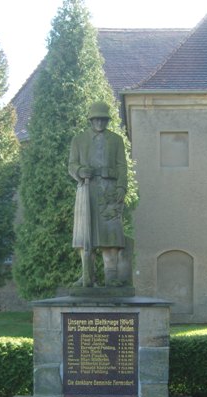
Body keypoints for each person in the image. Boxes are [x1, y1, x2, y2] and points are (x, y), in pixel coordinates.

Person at [68, 102, 127, 287]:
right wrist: (79, 171)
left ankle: (111, 275)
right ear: (91, 120)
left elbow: (121, 166)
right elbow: (71, 165)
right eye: (96, 119)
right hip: (87, 191)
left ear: (107, 120)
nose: (100, 123)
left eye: (103, 119)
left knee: (110, 235)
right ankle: (87, 275)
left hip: (109, 191)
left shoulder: (116, 140)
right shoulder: (79, 140)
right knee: (86, 236)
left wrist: (121, 188)